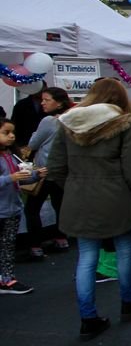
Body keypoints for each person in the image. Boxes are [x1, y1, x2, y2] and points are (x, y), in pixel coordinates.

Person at [46, 79, 131, 340]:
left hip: (78, 196)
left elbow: (56, 166)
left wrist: (74, 186)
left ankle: (88, 317)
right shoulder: (125, 123)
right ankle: (129, 301)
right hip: (116, 196)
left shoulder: (66, 122)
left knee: (86, 257)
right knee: (125, 250)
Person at [24, 87, 72, 259]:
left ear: (58, 102)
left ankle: (35, 246)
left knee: (32, 209)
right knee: (59, 206)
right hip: (62, 171)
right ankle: (61, 239)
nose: (42, 103)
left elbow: (33, 143)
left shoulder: (48, 121)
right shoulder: (72, 120)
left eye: (47, 100)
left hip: (44, 171)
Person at [0, 117, 44, 295]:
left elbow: (21, 177)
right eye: (6, 133)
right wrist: (10, 178)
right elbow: (11, 178)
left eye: (12, 133)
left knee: (8, 246)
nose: (11, 136)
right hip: (3, 209)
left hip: (12, 208)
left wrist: (36, 176)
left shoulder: (10, 155)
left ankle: (7, 278)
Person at [10, 82, 46, 149]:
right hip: (25, 142)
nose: (40, 91)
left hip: (45, 143)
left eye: (43, 89)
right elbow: (15, 124)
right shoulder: (21, 105)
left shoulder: (50, 104)